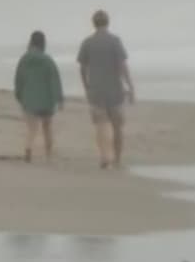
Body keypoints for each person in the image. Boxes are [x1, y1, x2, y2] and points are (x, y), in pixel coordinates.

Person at [77, 10, 135, 169]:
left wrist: (86, 86)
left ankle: (104, 156)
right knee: (117, 127)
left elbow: (82, 68)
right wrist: (130, 86)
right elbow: (123, 66)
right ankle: (117, 159)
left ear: (93, 23)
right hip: (115, 91)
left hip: (96, 91)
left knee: (101, 125)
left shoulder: (87, 43)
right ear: (107, 22)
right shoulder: (115, 41)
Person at [14, 31, 64, 162]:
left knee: (32, 128)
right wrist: (59, 98)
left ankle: (28, 148)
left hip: (29, 99)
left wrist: (19, 95)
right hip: (47, 100)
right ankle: (48, 154)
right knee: (47, 127)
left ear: (31, 42)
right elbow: (55, 79)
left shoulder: (24, 59)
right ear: (43, 43)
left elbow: (19, 79)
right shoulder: (47, 60)